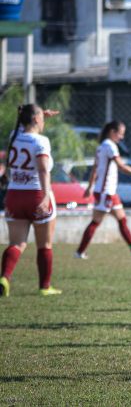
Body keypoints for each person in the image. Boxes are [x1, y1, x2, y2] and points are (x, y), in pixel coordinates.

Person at [0, 104, 62, 297]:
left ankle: (4, 278)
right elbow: (43, 170)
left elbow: (24, 121)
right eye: (42, 118)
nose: (44, 122)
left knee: (17, 243)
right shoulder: (41, 141)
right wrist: (45, 196)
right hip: (35, 194)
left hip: (14, 195)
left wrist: (37, 113)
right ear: (36, 119)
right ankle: (45, 287)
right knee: (45, 245)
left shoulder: (14, 137)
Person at [74, 121, 131, 260]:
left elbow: (95, 169)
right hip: (106, 192)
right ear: (112, 132)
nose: (122, 137)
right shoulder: (110, 146)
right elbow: (121, 167)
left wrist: (90, 187)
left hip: (106, 191)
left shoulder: (102, 146)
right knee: (97, 222)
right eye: (120, 133)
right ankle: (80, 252)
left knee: (121, 220)